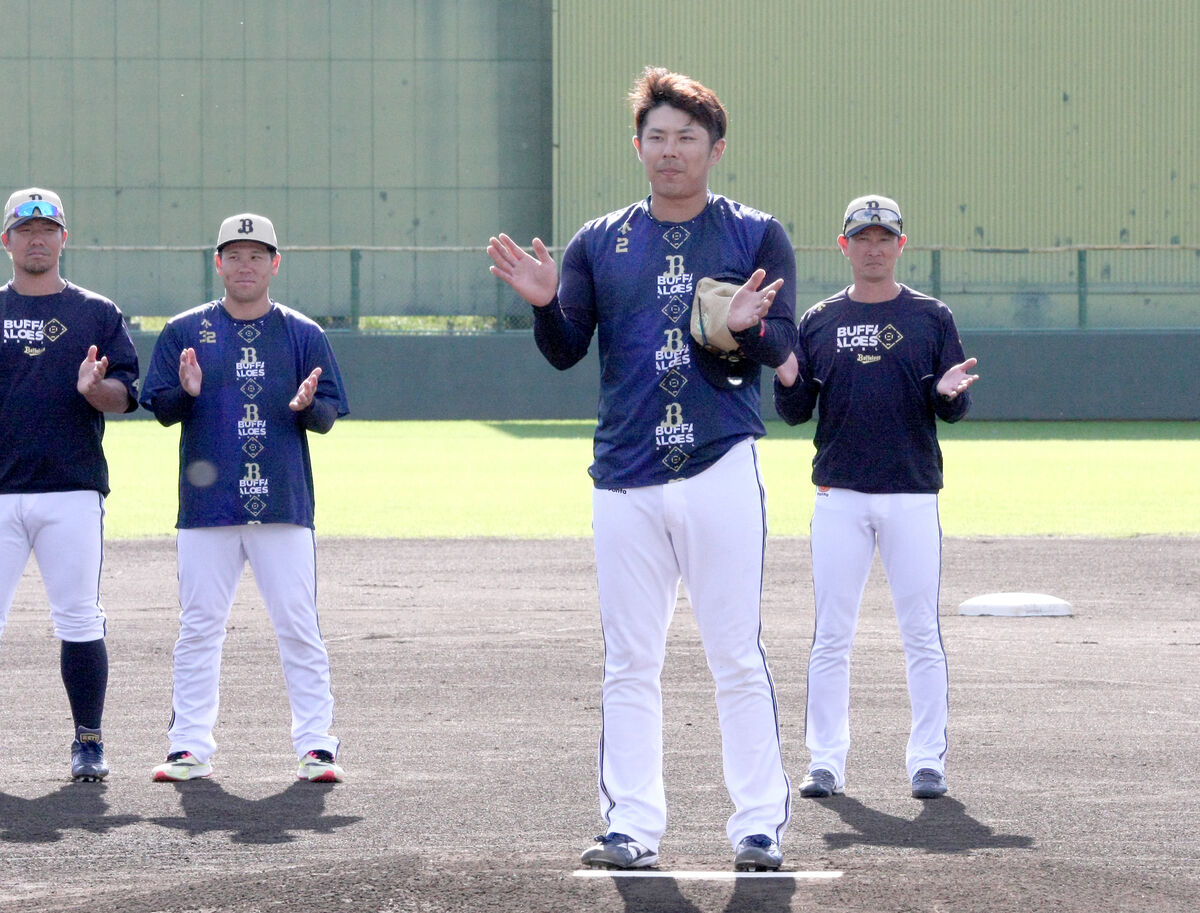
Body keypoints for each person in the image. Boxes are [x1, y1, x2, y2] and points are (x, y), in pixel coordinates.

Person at [487, 67, 794, 872]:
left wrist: (742, 328)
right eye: (656, 136)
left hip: (720, 457)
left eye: (687, 138)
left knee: (734, 650)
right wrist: (546, 302)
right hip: (624, 471)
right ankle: (631, 823)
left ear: (716, 149)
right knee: (630, 658)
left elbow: (779, 346)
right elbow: (564, 352)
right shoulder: (599, 240)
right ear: (637, 145)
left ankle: (758, 822)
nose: (670, 151)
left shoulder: (756, 234)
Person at [774, 194, 979, 801]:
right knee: (831, 635)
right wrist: (787, 378)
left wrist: (946, 393)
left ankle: (927, 761)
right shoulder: (817, 322)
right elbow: (794, 412)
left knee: (921, 632)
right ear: (843, 246)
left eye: (883, 237)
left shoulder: (931, 317)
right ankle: (826, 762)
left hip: (911, 493)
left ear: (900, 245)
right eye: (861, 237)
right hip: (839, 493)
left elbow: (956, 406)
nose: (873, 247)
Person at [139, 213, 350, 784]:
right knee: (200, 625)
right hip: (207, 509)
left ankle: (316, 746)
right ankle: (188, 747)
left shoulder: (303, 333)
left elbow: (328, 416)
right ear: (218, 263)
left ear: (275, 263)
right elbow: (158, 408)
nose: (245, 264)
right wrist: (184, 395)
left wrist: (308, 406)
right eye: (234, 254)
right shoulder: (185, 331)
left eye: (257, 254)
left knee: (298, 624)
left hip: (282, 501)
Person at [0, 187, 140, 781]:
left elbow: (126, 397)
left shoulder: (96, 313)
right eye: (25, 228)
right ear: (6, 240)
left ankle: (89, 741)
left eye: (47, 228)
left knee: (80, 616)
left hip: (72, 489)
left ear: (64, 237)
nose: (37, 238)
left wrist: (93, 390)